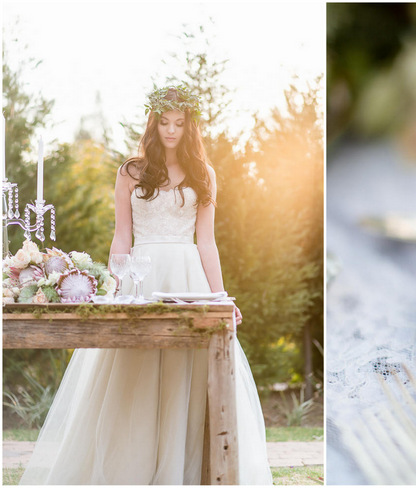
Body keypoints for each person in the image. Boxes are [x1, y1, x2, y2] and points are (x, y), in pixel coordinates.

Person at [20, 86, 273, 485]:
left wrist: (221, 296)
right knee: (132, 367)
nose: (171, 131)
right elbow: (121, 236)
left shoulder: (203, 174)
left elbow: (206, 241)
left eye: (179, 124)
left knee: (183, 372)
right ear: (153, 123)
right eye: (164, 123)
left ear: (189, 128)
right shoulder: (131, 171)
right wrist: (112, 283)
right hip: (141, 272)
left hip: (186, 274)